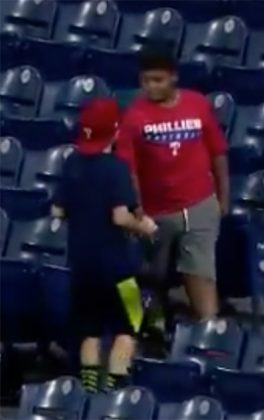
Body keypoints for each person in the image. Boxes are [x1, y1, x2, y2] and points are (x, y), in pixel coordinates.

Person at [115, 47, 230, 320]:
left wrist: (223, 199)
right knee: (151, 279)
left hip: (200, 204)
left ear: (173, 77)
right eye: (146, 81)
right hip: (157, 212)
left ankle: (208, 336)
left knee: (200, 272)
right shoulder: (134, 116)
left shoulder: (197, 104)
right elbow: (127, 169)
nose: (151, 87)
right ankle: (151, 335)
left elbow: (218, 152)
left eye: (158, 80)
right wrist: (137, 209)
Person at [52, 98, 158, 392]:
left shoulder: (71, 163)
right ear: (115, 131)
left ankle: (88, 387)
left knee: (89, 329)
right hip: (117, 267)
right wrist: (146, 228)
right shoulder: (115, 168)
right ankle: (115, 387)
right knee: (130, 326)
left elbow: (57, 211)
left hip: (81, 265)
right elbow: (121, 216)